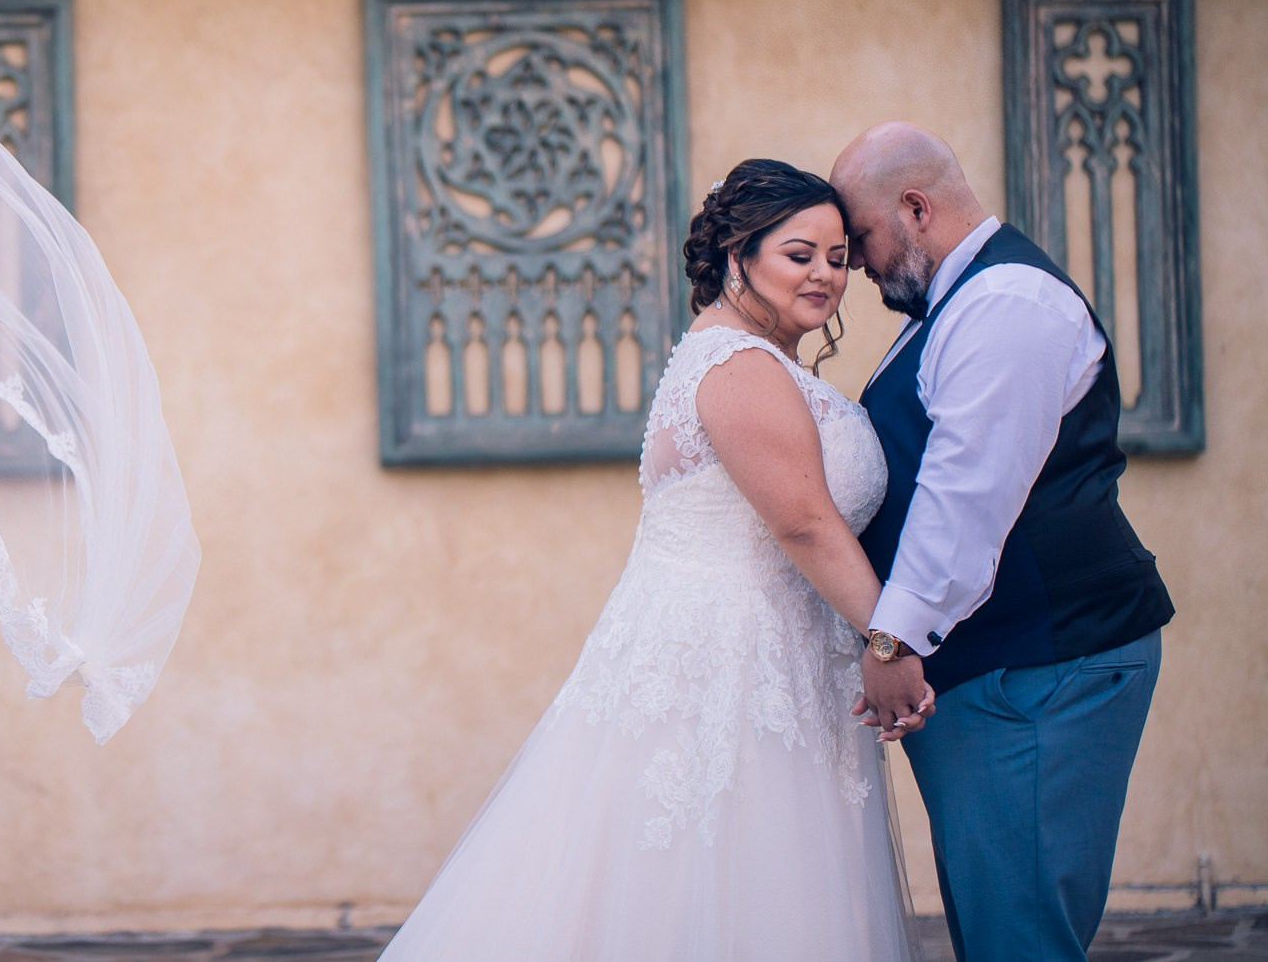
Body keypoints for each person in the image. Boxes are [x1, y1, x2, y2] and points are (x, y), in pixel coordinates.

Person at [380, 160, 920, 961]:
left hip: (768, 649)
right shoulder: (739, 366)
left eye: (839, 257)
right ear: (740, 256)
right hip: (730, 659)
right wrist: (891, 641)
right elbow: (804, 522)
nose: (826, 275)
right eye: (799, 253)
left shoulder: (740, 354)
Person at [832, 122, 1175, 962]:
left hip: (1043, 666)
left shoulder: (1004, 302)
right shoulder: (953, 302)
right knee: (999, 926)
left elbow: (965, 498)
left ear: (915, 207)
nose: (859, 268)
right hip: (1005, 665)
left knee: (1017, 937)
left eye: (862, 240)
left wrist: (892, 637)